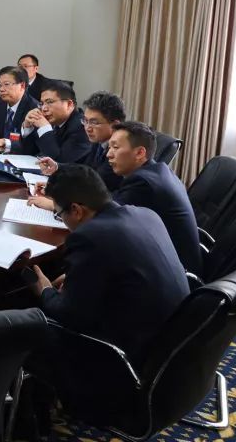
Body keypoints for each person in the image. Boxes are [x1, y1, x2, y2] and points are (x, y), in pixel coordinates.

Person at [24, 165, 189, 412]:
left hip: (124, 362)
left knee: (24, 325)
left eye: (59, 214)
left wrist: (45, 290)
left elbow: (68, 316)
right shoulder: (145, 214)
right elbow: (123, 264)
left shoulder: (90, 237)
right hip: (172, 350)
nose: (62, 220)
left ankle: (32, 412)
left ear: (77, 210)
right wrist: (81, 275)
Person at [107, 121, 202, 275]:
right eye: (109, 147)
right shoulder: (159, 170)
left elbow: (106, 217)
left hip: (171, 273)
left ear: (140, 153)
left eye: (115, 147)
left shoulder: (143, 183)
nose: (109, 154)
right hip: (172, 263)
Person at [34, 91, 125, 193]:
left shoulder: (120, 152)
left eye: (94, 122)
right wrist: (57, 167)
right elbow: (86, 170)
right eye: (85, 121)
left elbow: (96, 184)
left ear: (115, 125)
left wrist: (56, 190)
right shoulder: (99, 142)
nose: (88, 128)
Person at [18, 80, 91, 163]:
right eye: (42, 104)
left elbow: (58, 163)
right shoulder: (54, 121)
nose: (44, 109)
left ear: (69, 104)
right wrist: (28, 127)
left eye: (49, 102)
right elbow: (28, 152)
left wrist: (45, 129)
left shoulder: (82, 127)